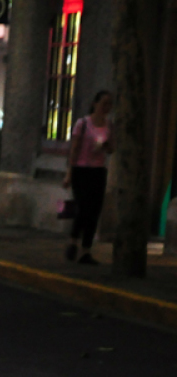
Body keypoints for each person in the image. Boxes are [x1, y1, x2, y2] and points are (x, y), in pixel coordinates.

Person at [63, 90, 114, 265]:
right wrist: (69, 173)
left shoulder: (109, 125)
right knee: (83, 208)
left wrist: (106, 146)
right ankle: (73, 241)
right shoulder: (83, 123)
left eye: (109, 104)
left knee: (94, 211)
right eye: (104, 103)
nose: (106, 107)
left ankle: (86, 251)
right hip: (81, 170)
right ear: (95, 104)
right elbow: (75, 149)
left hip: (98, 171)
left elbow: (111, 149)